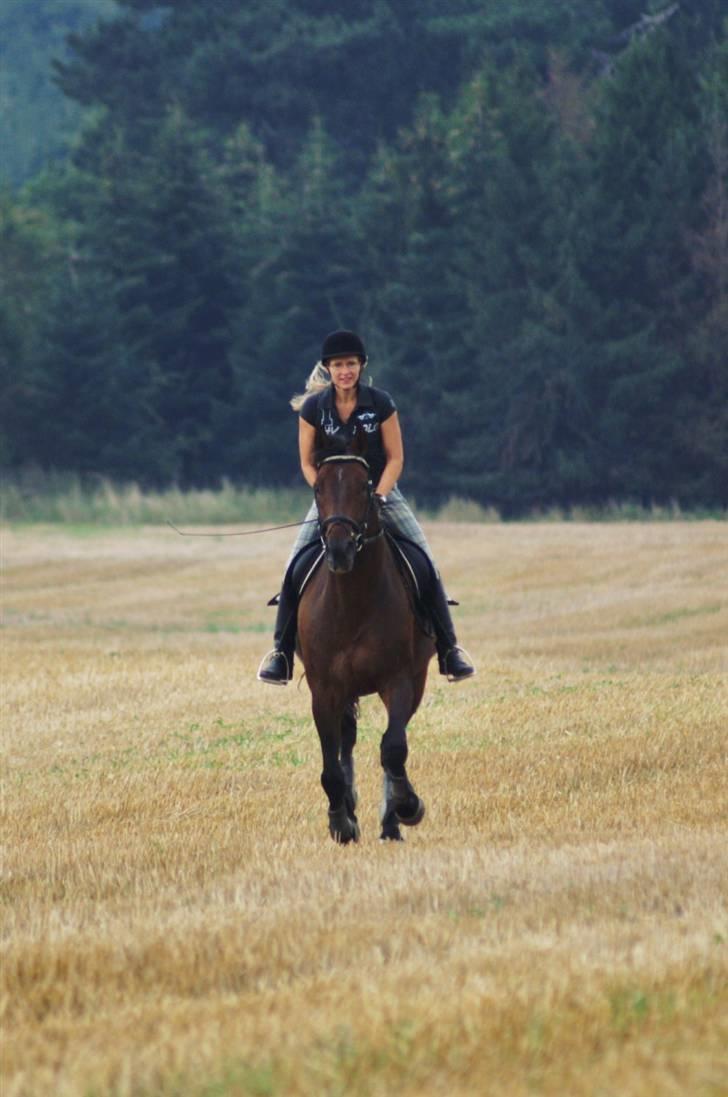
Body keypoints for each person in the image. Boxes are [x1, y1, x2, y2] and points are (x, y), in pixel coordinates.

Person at [256, 329, 476, 685]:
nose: (345, 371)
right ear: (328, 368)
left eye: (351, 364)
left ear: (361, 366)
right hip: (334, 499)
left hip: (380, 492)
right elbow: (307, 463)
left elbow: (395, 458)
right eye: (338, 365)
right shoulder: (313, 409)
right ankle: (281, 654)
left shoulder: (381, 404)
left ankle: (449, 650)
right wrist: (324, 494)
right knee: (293, 567)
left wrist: (379, 495)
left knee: (425, 560)